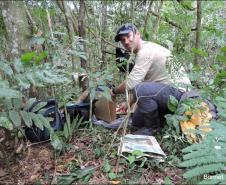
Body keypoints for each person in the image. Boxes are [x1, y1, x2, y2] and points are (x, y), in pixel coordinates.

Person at [111, 23, 191, 96]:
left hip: (179, 93)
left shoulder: (145, 51)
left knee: (143, 89)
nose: (126, 42)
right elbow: (144, 81)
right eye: (123, 40)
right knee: (142, 89)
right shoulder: (146, 49)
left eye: (128, 36)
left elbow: (132, 82)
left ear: (138, 34)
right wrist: (128, 102)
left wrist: (114, 91)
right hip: (174, 91)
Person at [124, 82, 218, 136]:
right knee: (136, 121)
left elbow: (150, 109)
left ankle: (153, 128)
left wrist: (152, 127)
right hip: (171, 99)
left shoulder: (140, 91)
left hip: (181, 100)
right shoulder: (139, 89)